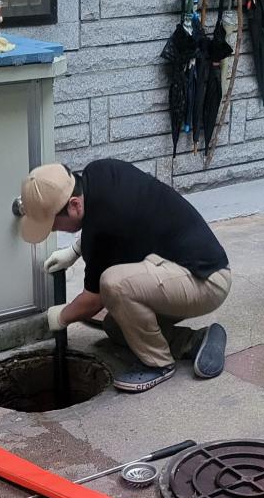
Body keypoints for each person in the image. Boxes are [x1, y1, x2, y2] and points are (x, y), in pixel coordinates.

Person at [16, 159, 231, 392]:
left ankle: (158, 364)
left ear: (74, 205)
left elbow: (93, 301)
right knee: (116, 326)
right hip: (177, 268)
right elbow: (113, 220)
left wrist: (61, 317)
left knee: (114, 285)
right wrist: (75, 250)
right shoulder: (99, 173)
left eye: (55, 226)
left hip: (205, 281)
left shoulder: (105, 227)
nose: (54, 231)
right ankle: (195, 341)